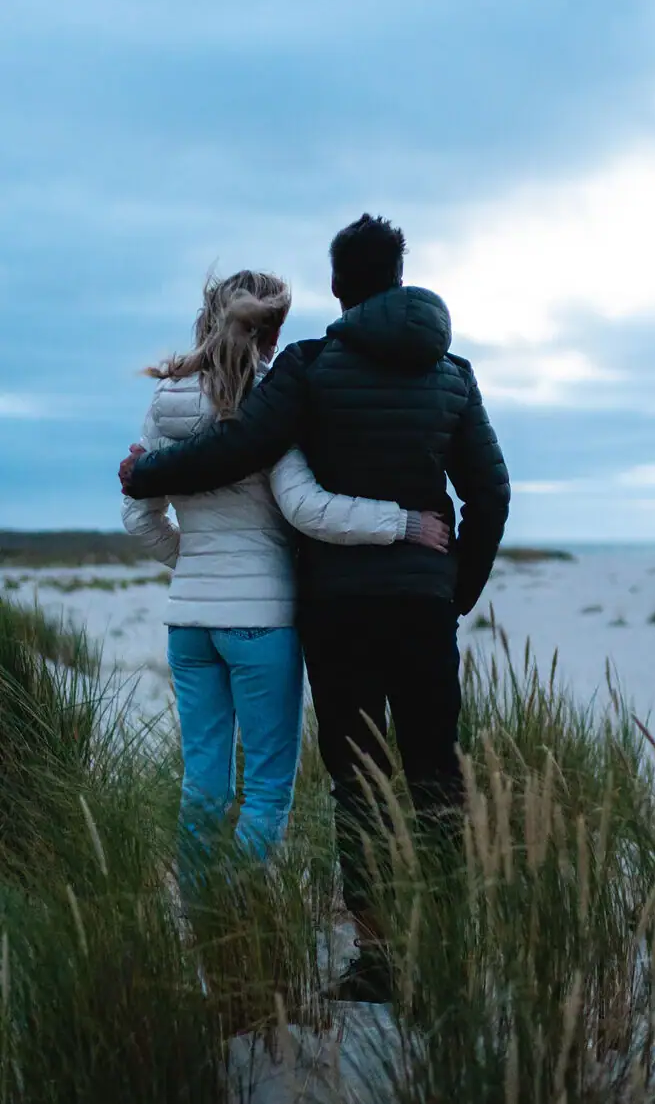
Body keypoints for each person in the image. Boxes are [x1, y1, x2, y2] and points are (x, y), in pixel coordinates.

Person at [120, 216, 511, 1002]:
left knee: (358, 779)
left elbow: (238, 448)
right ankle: (447, 945)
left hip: (337, 609)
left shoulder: (309, 365)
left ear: (337, 287)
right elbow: (490, 492)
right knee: (436, 772)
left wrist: (145, 475)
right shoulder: (454, 373)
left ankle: (377, 956)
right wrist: (455, 591)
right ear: (397, 277)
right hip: (421, 603)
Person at [122, 269, 451, 901]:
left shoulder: (165, 401)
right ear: (269, 331)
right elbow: (307, 509)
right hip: (261, 624)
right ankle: (235, 909)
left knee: (203, 784)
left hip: (188, 625)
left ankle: (198, 914)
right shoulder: (270, 402)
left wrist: (195, 567)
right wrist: (406, 523)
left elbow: (140, 516)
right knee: (268, 787)